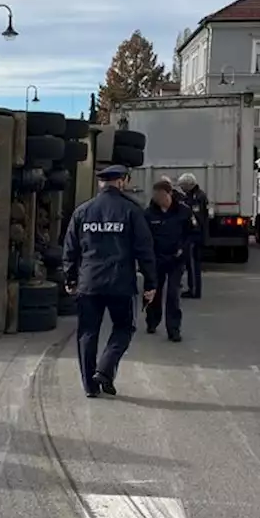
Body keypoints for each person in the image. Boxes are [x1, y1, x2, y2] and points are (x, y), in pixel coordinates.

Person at [63, 164, 158, 398]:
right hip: (120, 283)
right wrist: (151, 284)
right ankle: (105, 370)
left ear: (100, 183)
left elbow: (70, 247)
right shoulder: (132, 211)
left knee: (87, 333)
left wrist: (70, 276)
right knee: (125, 327)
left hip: (89, 283)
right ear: (122, 182)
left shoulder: (82, 211)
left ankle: (90, 386)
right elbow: (144, 250)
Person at [144, 178, 195, 342]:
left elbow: (192, 234)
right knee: (154, 292)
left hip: (176, 259)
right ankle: (152, 321)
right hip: (157, 258)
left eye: (161, 195)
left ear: (169, 194)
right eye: (156, 196)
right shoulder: (149, 213)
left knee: (173, 294)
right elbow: (144, 238)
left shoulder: (183, 211)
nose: (159, 199)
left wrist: (183, 248)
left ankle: (174, 329)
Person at [176, 173, 209, 298]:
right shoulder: (193, 196)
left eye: (183, 186)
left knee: (193, 264)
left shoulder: (197, 197)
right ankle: (192, 288)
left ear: (189, 185)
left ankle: (194, 290)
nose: (182, 189)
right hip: (194, 234)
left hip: (195, 235)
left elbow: (196, 217)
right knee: (190, 264)